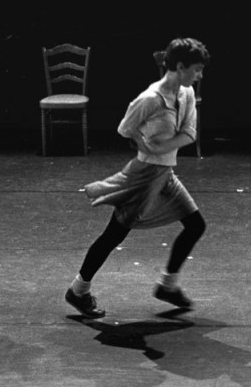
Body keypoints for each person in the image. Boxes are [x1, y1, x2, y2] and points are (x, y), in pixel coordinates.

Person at [65, 37, 209, 318]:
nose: (200, 75)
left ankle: (167, 286)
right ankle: (78, 290)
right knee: (114, 234)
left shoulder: (186, 94)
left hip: (164, 173)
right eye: (197, 69)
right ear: (180, 66)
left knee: (195, 225)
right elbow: (124, 128)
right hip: (144, 175)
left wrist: (157, 147)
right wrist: (143, 144)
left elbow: (189, 133)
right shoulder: (150, 99)